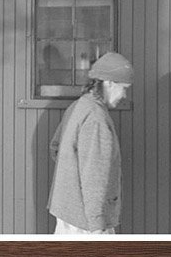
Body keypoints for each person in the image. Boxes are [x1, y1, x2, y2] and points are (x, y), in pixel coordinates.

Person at [47, 52, 133, 236]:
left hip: (66, 213)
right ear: (109, 83)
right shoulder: (96, 119)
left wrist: (71, 175)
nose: (124, 95)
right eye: (124, 88)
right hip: (86, 223)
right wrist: (98, 226)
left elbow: (56, 147)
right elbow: (95, 178)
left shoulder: (79, 106)